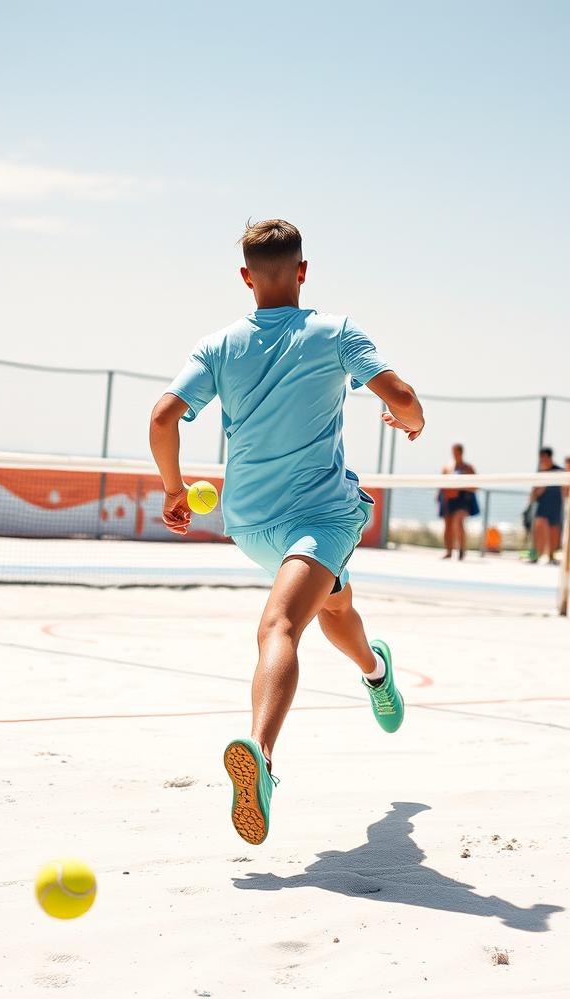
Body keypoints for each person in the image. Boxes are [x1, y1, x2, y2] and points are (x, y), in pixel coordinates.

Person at [149, 219, 425, 845]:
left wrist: (171, 490)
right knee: (281, 624)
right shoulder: (333, 332)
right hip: (322, 516)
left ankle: (376, 674)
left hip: (248, 525)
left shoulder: (217, 345)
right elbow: (401, 395)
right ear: (303, 270)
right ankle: (263, 760)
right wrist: (411, 420)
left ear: (245, 277)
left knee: (337, 605)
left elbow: (163, 417)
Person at [436, 443, 478, 560]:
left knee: (458, 522)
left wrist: (459, 487)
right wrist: (439, 495)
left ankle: (461, 550)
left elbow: (475, 486)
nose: (454, 454)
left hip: (462, 500)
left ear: (461, 452)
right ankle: (448, 551)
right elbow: (441, 484)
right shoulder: (447, 467)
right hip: (448, 499)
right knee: (447, 525)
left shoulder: (468, 468)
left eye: (456, 451)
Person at [528, 447, 563, 565]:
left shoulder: (559, 472)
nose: (542, 460)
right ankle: (536, 555)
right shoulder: (541, 472)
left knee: (554, 530)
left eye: (543, 457)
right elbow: (535, 490)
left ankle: (551, 556)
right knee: (538, 527)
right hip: (542, 503)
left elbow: (566, 489)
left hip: (556, 504)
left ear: (549, 457)